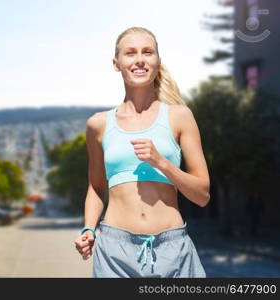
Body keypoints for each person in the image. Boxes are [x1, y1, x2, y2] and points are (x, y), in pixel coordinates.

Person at [74, 27, 210, 278]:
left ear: (158, 61)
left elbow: (202, 195)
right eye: (130, 53)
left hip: (174, 251)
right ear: (117, 64)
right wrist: (89, 229)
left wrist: (162, 163)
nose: (139, 59)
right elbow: (96, 188)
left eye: (147, 52)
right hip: (114, 253)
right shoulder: (98, 124)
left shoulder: (180, 117)